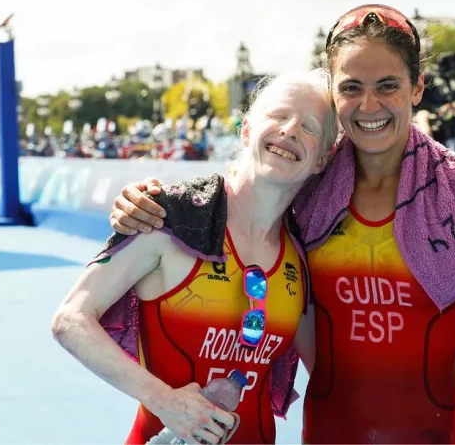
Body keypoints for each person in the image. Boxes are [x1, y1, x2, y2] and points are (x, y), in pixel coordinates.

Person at [108, 4, 455, 443]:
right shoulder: (305, 189)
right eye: (352, 87)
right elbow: (237, 199)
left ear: (417, 88)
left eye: (388, 86)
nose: (370, 105)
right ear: (334, 91)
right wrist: (149, 204)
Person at [51, 70, 340, 444]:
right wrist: (163, 400)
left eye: (310, 127)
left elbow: (331, 374)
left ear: (322, 159)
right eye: (277, 116)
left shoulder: (303, 256)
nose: (289, 130)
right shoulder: (169, 216)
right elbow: (70, 319)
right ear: (246, 130)